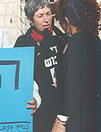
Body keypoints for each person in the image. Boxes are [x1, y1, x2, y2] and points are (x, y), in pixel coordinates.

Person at [14, 0, 66, 131]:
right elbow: (19, 77)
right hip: (40, 110)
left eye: (48, 14)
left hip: (62, 107)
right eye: (40, 16)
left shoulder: (62, 38)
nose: (46, 19)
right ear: (29, 19)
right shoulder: (23, 43)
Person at [51, 0, 101, 131]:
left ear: (67, 21)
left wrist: (60, 122)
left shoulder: (74, 45)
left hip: (79, 119)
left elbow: (71, 88)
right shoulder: (96, 41)